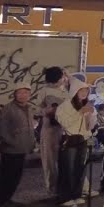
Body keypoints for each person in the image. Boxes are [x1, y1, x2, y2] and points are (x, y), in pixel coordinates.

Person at [0, 84, 36, 207]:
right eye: (20, 92)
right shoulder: (9, 109)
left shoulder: (29, 108)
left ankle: (8, 198)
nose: (23, 95)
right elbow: (2, 129)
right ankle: (2, 200)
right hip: (11, 149)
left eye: (26, 93)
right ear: (15, 94)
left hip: (22, 148)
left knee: (16, 175)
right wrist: (12, 142)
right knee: (7, 176)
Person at [55, 79, 95, 207]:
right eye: (81, 90)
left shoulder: (86, 104)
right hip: (70, 139)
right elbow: (64, 122)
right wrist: (80, 113)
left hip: (82, 139)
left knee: (80, 168)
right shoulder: (65, 106)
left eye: (86, 91)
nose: (84, 93)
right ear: (75, 91)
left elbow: (89, 127)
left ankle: (77, 194)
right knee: (68, 168)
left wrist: (90, 117)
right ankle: (65, 197)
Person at [34, 67, 67, 196]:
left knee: (65, 159)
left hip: (65, 128)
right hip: (50, 128)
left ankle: (64, 186)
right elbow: (37, 108)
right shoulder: (45, 91)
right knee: (49, 159)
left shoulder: (66, 90)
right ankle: (52, 188)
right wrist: (45, 111)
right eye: (62, 76)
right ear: (58, 78)